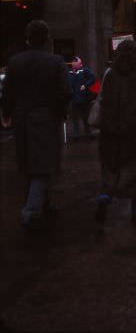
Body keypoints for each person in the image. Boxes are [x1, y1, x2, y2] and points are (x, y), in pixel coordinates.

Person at [1, 20, 72, 229]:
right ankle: (31, 211)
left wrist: (7, 113)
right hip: (46, 118)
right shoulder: (56, 62)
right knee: (43, 165)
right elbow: (65, 91)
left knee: (30, 164)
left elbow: (8, 92)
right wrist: (61, 113)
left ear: (27, 39)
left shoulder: (15, 62)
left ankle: (42, 202)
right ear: (47, 39)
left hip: (22, 119)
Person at [95, 39, 136, 223]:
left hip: (110, 128)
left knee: (111, 166)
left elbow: (102, 96)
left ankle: (106, 195)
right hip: (134, 129)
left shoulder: (110, 75)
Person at [68, 56, 97, 137]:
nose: (73, 63)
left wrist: (85, 85)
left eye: (75, 62)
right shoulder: (70, 72)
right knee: (75, 118)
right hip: (74, 99)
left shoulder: (84, 70)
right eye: (73, 62)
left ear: (80, 64)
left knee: (85, 117)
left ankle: (88, 133)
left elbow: (93, 78)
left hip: (84, 98)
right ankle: (76, 134)